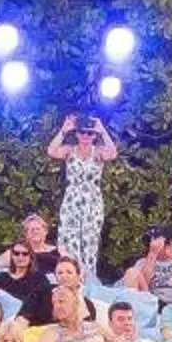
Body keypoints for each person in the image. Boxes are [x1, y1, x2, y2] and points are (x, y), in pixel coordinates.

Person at [47, 115, 118, 279]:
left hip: (92, 201)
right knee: (70, 240)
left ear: (94, 135)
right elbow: (51, 150)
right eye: (82, 132)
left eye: (90, 133)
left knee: (90, 242)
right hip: (72, 199)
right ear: (77, 133)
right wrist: (64, 131)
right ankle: (69, 276)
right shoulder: (69, 150)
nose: (86, 136)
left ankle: (88, 279)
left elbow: (113, 153)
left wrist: (102, 131)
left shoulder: (98, 151)